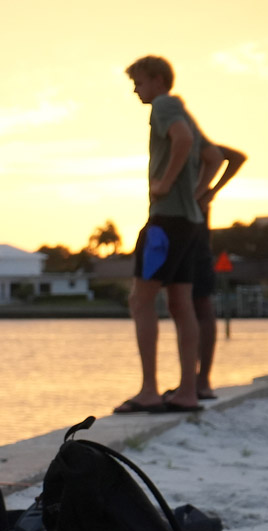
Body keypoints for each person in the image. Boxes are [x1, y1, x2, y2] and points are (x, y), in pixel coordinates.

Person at [114, 55, 205, 414]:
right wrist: (196, 196)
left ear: (155, 79)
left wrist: (164, 184)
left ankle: (149, 391)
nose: (135, 89)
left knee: (140, 300)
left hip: (165, 222)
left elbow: (180, 141)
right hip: (189, 222)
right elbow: (212, 156)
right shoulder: (188, 113)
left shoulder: (165, 106)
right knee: (181, 304)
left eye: (138, 81)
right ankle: (187, 391)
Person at [187, 142, 247, 400]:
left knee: (200, 303)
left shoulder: (194, 140)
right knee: (184, 304)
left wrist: (208, 192)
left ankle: (201, 380)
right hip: (180, 227)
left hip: (195, 230)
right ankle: (190, 380)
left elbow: (237, 157)